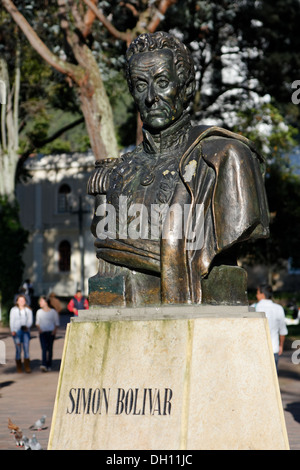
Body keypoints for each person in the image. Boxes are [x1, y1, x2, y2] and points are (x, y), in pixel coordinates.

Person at [87, 31, 269, 307]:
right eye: (139, 85)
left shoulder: (226, 158)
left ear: (185, 87)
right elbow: (106, 242)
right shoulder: (121, 170)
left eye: (162, 83)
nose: (150, 97)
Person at [255, 284, 288, 370]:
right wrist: (281, 345)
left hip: (257, 350)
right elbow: (282, 330)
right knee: (273, 379)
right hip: (274, 349)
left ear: (262, 294)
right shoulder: (279, 308)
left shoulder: (254, 308)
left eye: (257, 293)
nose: (256, 295)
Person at [9, 294, 33, 373]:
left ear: (25, 301)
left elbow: (30, 320)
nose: (21, 302)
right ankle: (19, 367)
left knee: (26, 349)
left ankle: (27, 366)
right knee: (18, 349)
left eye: (23, 300)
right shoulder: (13, 310)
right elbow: (11, 320)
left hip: (26, 332)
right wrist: (12, 330)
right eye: (20, 300)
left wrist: (27, 326)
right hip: (16, 332)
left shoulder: (28, 310)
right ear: (17, 301)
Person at [35, 296, 60, 372]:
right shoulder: (39, 312)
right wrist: (40, 330)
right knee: (44, 348)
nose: (40, 303)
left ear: (46, 302)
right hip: (43, 332)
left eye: (41, 301)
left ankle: (49, 364)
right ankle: (44, 364)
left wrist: (54, 331)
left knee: (50, 348)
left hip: (51, 332)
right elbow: (37, 322)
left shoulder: (53, 312)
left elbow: (57, 323)